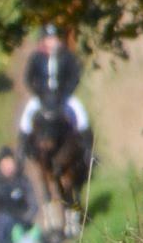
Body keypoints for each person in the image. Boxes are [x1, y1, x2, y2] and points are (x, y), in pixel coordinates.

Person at [18, 24, 92, 152]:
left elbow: (74, 77)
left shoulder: (67, 56)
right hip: (42, 96)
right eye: (49, 38)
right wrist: (38, 93)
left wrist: (66, 92)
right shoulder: (36, 57)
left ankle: (88, 152)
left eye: (54, 38)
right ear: (44, 40)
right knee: (26, 115)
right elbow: (28, 78)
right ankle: (22, 152)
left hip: (63, 96)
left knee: (81, 114)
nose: (52, 41)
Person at [0, 145, 38, 224]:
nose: (8, 167)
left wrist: (26, 219)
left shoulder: (22, 180)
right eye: (4, 165)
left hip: (23, 220)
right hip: (3, 223)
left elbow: (33, 203)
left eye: (10, 163)